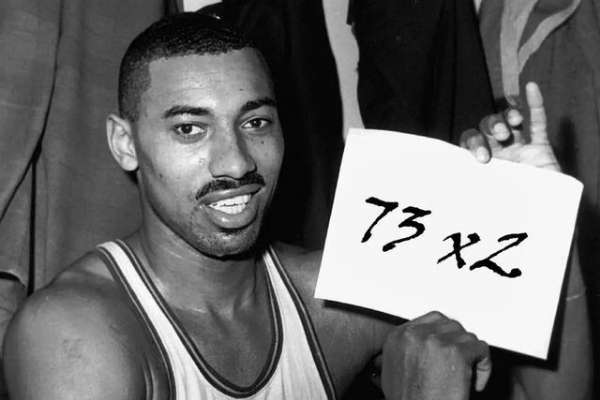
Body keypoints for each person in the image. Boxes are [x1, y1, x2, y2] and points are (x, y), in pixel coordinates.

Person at [2, 13, 590, 400]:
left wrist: (541, 227)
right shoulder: (74, 333)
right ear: (125, 143)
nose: (235, 162)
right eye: (189, 129)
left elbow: (553, 393)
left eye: (255, 122)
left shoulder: (335, 294)